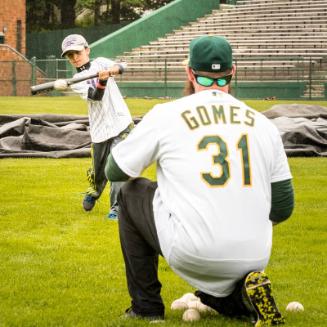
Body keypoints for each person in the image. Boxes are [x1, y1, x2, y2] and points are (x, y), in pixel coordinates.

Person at [105, 35, 294, 325]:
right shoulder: (263, 124)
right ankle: (239, 299)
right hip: (254, 255)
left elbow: (114, 171)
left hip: (192, 251)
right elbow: (283, 207)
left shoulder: (166, 114)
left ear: (190, 72)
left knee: (131, 193)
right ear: (233, 72)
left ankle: (146, 307)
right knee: (220, 259)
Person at [61, 34, 133, 219]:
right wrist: (101, 81)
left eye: (77, 52)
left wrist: (113, 70)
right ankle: (94, 191)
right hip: (100, 130)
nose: (75, 58)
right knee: (99, 171)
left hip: (121, 123)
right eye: (70, 55)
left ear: (87, 50)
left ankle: (116, 208)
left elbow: (123, 66)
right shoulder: (77, 81)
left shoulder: (101, 62)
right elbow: (95, 96)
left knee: (117, 165)